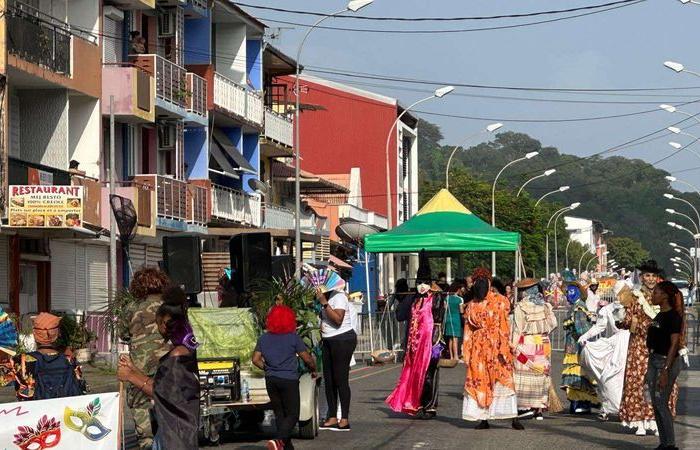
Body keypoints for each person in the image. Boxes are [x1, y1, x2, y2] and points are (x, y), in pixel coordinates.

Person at [118, 285, 200, 450]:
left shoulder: (177, 355)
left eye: (157, 324)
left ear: (165, 322)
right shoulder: (184, 347)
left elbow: (163, 394)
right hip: (172, 429)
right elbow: (165, 386)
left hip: (176, 435)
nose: (157, 330)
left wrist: (130, 377)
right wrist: (132, 369)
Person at [618, 260, 678, 436]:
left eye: (653, 275)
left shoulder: (666, 296)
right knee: (639, 382)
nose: (650, 279)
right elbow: (629, 320)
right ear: (642, 277)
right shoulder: (634, 296)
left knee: (661, 381)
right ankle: (641, 421)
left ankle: (656, 420)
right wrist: (624, 321)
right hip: (640, 345)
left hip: (661, 345)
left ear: (657, 277)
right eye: (647, 275)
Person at [462, 268, 523, 430]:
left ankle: (513, 417)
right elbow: (468, 330)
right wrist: (466, 351)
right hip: (480, 348)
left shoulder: (501, 301)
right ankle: (484, 418)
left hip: (497, 347)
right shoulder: (472, 305)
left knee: (503, 380)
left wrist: (508, 345)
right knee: (482, 381)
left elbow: (506, 325)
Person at [252, 305, 318, 450]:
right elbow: (307, 359)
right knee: (293, 414)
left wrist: (267, 368)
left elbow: (255, 359)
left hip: (271, 380)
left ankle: (286, 447)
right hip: (288, 379)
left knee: (280, 414)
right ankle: (278, 440)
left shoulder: (263, 338)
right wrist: (313, 369)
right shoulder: (293, 338)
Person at [125, 267, 172, 450]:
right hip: (167, 367)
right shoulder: (171, 307)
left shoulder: (131, 308)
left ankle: (147, 444)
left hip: (139, 368)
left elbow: (123, 333)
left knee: (141, 413)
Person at [386, 281, 445, 419]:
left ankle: (429, 406)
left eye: (425, 282)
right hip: (413, 346)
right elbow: (400, 315)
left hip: (431, 343)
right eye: (419, 283)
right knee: (415, 375)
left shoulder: (436, 298)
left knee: (430, 375)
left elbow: (439, 319)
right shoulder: (413, 298)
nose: (422, 286)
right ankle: (416, 403)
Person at [578, 280, 632, 420]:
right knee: (608, 377)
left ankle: (628, 409)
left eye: (621, 292)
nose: (618, 295)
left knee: (629, 378)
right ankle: (608, 407)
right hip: (613, 347)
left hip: (632, 346)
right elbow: (599, 327)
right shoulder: (607, 310)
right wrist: (585, 336)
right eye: (616, 292)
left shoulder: (634, 308)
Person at [647, 281, 686, 450]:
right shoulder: (659, 315)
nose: (652, 295)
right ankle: (663, 443)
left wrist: (665, 371)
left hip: (666, 362)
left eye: (655, 292)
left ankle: (671, 444)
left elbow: (674, 344)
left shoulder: (673, 317)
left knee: (662, 402)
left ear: (664, 296)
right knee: (655, 403)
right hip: (654, 359)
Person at [512, 278, 558, 420]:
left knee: (524, 374)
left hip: (527, 342)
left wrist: (513, 345)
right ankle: (539, 409)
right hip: (543, 342)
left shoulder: (521, 307)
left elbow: (517, 328)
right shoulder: (545, 306)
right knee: (542, 374)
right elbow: (554, 324)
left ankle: (525, 406)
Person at [12, 313, 85, 401]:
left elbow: (20, 389)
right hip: (64, 411)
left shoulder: (23, 360)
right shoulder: (69, 358)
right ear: (57, 334)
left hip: (36, 412)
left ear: (35, 334)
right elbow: (78, 385)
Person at [317, 283, 357, 431]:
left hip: (342, 340)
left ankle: (344, 418)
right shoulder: (322, 299)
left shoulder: (338, 297)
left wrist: (324, 303)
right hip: (328, 340)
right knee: (329, 380)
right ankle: (332, 416)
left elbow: (338, 319)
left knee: (341, 379)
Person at [560, 277, 599, 414]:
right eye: (567, 293)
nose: (568, 295)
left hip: (578, 347)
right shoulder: (575, 307)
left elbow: (582, 330)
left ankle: (582, 403)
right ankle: (577, 402)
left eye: (571, 292)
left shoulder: (579, 308)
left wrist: (584, 341)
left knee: (580, 374)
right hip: (573, 347)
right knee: (575, 374)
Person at [444, 280, 466, 361]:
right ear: (457, 289)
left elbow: (445, 308)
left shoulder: (447, 298)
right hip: (456, 319)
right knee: (455, 339)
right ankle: (456, 357)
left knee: (450, 338)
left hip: (448, 319)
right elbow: (461, 311)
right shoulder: (460, 299)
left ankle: (451, 356)